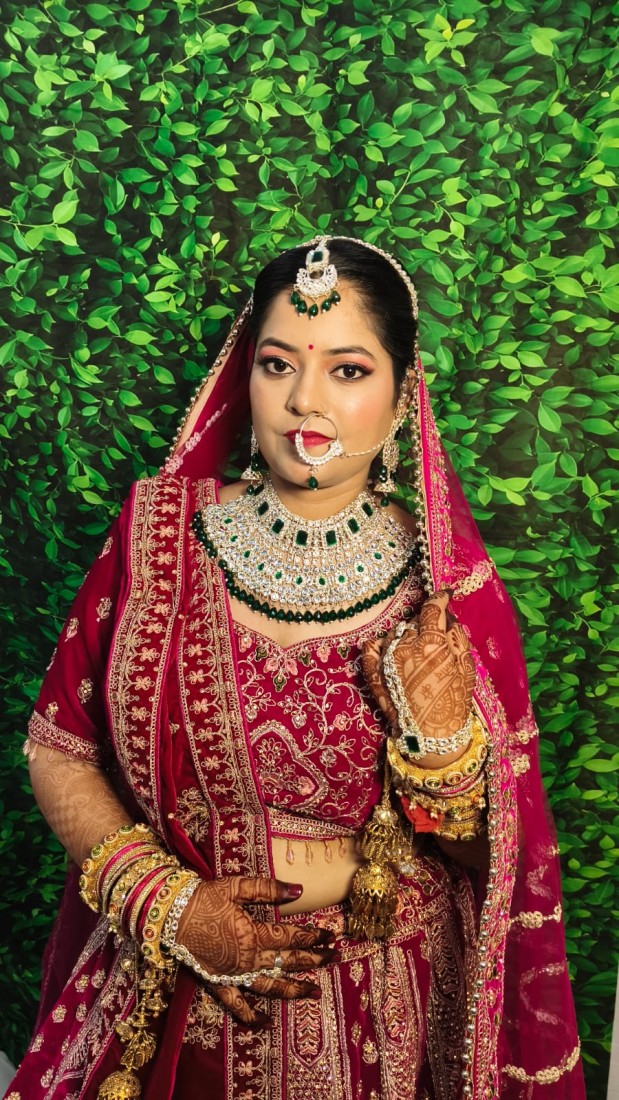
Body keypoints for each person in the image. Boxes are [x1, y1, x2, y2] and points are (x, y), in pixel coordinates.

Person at [4, 237, 584, 1100]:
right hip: (167, 980)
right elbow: (59, 747)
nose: (304, 399)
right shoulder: (156, 534)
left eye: (347, 371)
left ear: (401, 397)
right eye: (277, 364)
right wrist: (168, 906)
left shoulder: (444, 590)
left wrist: (441, 753)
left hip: (381, 1010)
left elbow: (494, 857)